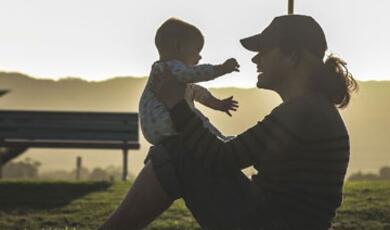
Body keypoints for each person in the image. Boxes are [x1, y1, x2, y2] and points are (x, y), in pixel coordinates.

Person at [100, 14, 358, 230]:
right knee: (177, 150)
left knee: (176, 152)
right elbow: (236, 151)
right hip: (275, 219)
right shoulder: (311, 109)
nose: (256, 59)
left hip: (272, 223)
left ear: (292, 57)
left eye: (264, 51)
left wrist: (176, 104)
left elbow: (222, 157)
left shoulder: (304, 112)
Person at [139, 17, 240, 146]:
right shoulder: (169, 67)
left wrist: (218, 104)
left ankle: (219, 140)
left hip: (154, 130)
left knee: (194, 118)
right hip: (166, 121)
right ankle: (219, 141)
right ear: (178, 46)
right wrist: (221, 69)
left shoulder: (166, 73)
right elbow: (193, 74)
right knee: (197, 119)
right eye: (197, 50)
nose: (199, 57)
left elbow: (195, 92)